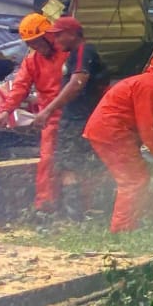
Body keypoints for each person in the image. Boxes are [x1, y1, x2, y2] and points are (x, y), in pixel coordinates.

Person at [83, 49, 153, 233]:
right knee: (134, 180)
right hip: (112, 132)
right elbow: (147, 128)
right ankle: (122, 230)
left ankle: (152, 215)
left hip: (108, 131)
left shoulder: (145, 83)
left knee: (138, 176)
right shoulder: (150, 86)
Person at [0, 13, 69, 212]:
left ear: (49, 35)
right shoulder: (32, 61)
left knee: (79, 159)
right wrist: (6, 111)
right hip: (50, 117)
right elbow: (20, 87)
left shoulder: (69, 53)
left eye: (38, 42)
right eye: (32, 44)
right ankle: (46, 205)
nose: (37, 47)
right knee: (48, 160)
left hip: (74, 112)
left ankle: (84, 206)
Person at [42, 15, 110, 214]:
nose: (57, 41)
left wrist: (48, 110)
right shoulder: (78, 53)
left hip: (77, 120)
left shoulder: (82, 51)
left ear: (73, 34)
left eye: (59, 35)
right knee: (80, 163)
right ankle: (87, 210)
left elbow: (77, 82)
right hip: (82, 118)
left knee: (68, 164)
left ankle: (76, 214)